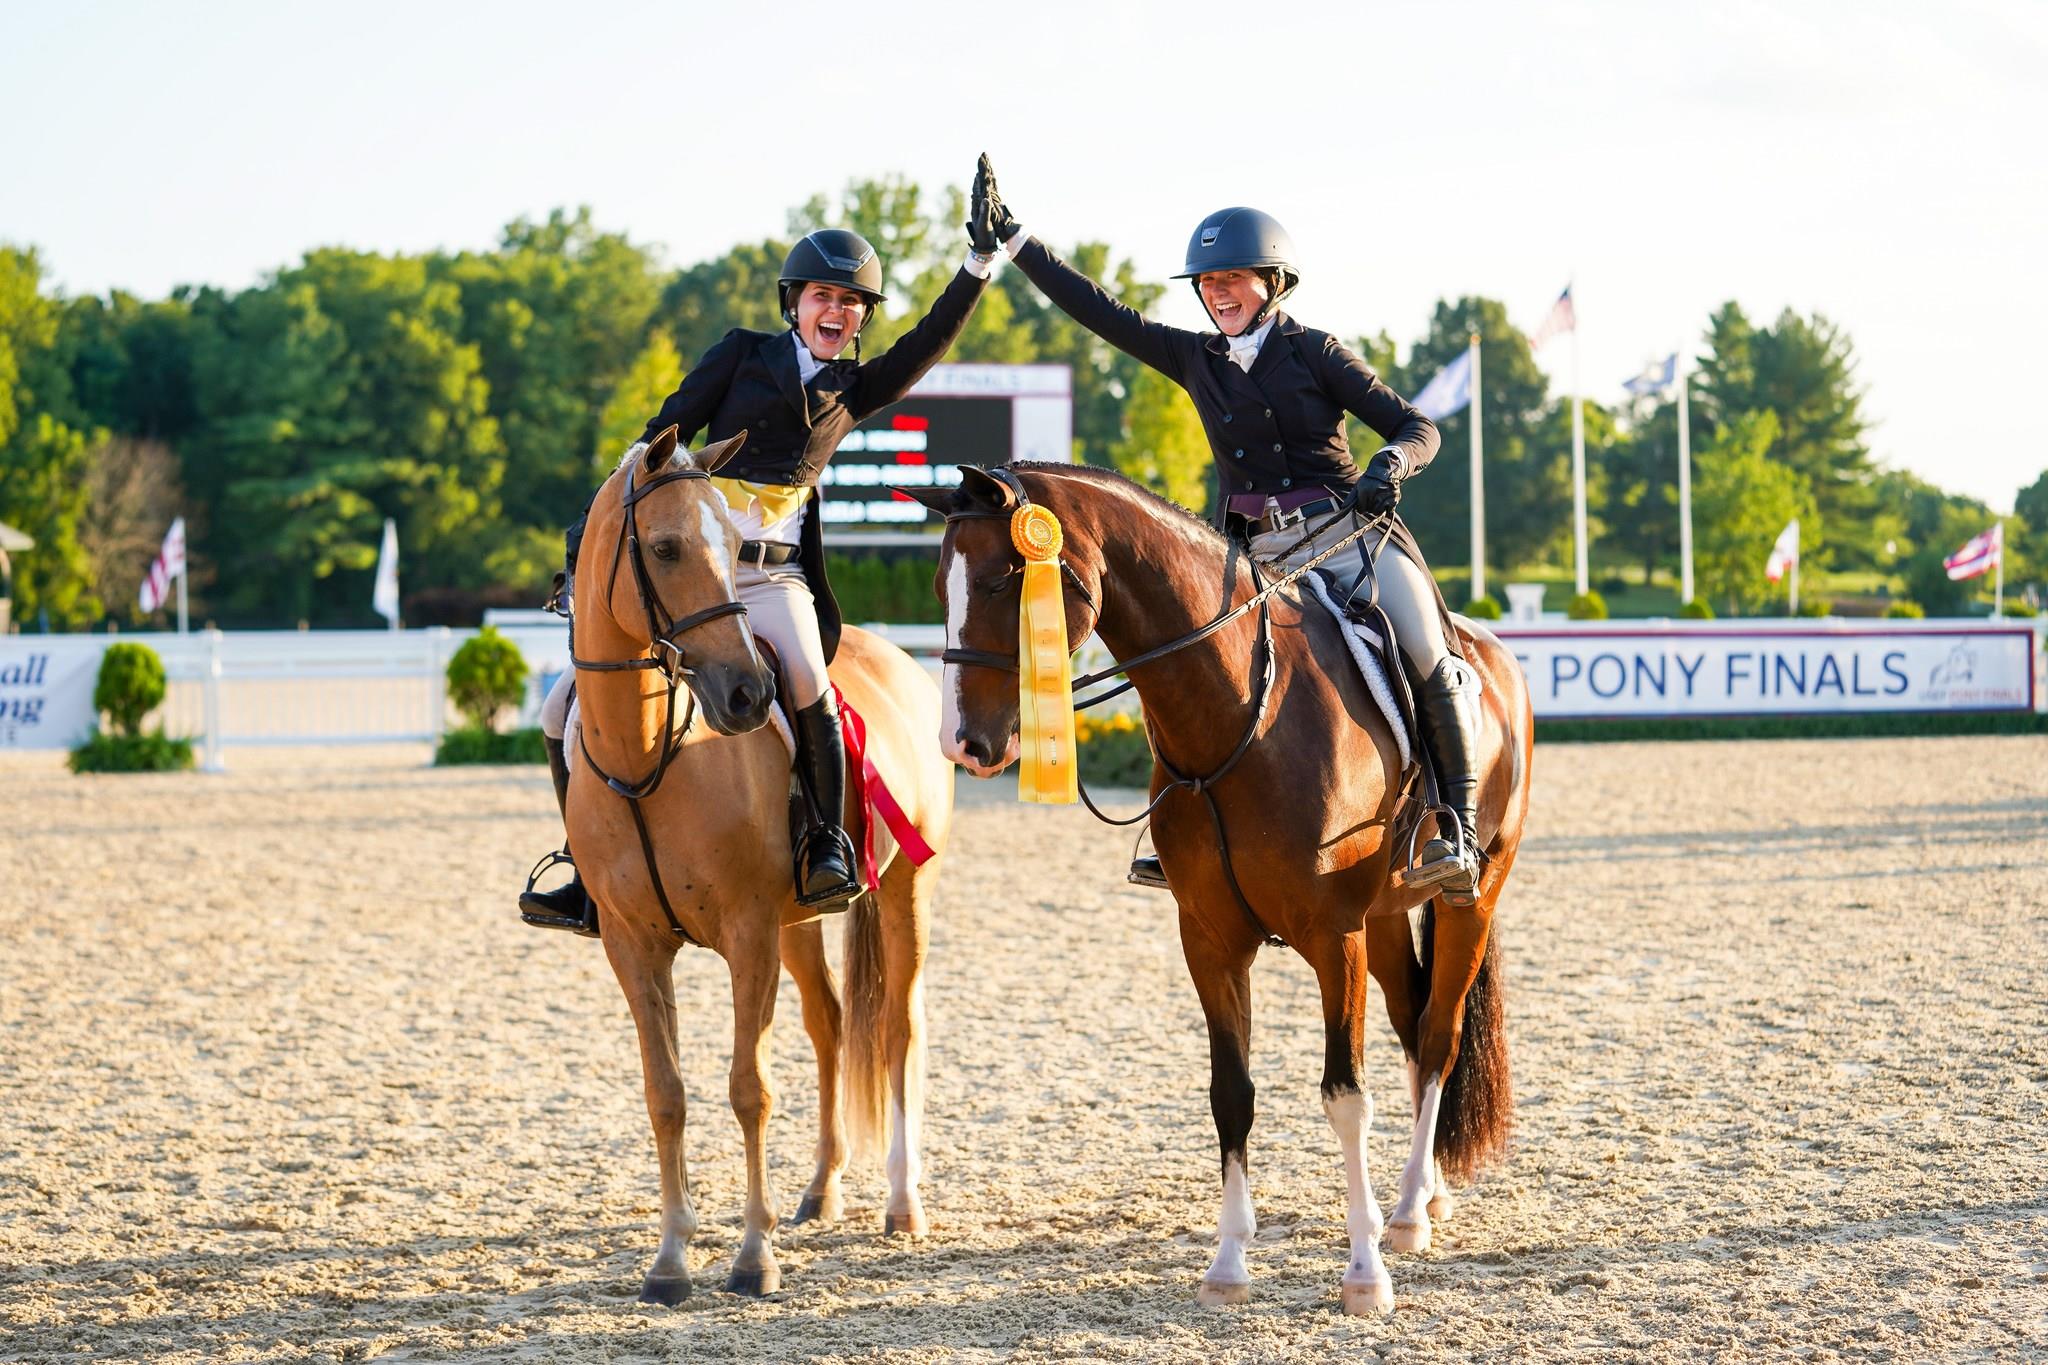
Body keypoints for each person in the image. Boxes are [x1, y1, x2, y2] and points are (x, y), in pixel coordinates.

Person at [968, 158, 1482, 898]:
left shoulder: (1316, 352)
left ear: (1272, 283)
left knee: (1426, 649)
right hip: (1250, 553)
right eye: (1208, 283)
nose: (1218, 293)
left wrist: (1392, 463)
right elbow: (1102, 311)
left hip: (1345, 537)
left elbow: (1417, 425)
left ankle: (1455, 827)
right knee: (1180, 664)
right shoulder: (1196, 357)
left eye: (1232, 279)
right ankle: (1176, 823)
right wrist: (1016, 242)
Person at [520, 214, 1000, 930]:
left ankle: (823, 842)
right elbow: (660, 438)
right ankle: (587, 867)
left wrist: (978, 265)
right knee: (560, 710)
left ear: (861, 319)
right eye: (821, 297)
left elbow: (928, 342)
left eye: (851, 303)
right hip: (688, 580)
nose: (835, 311)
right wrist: (594, 532)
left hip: (772, 582)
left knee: (808, 681)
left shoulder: (855, 391)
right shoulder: (740, 356)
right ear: (794, 304)